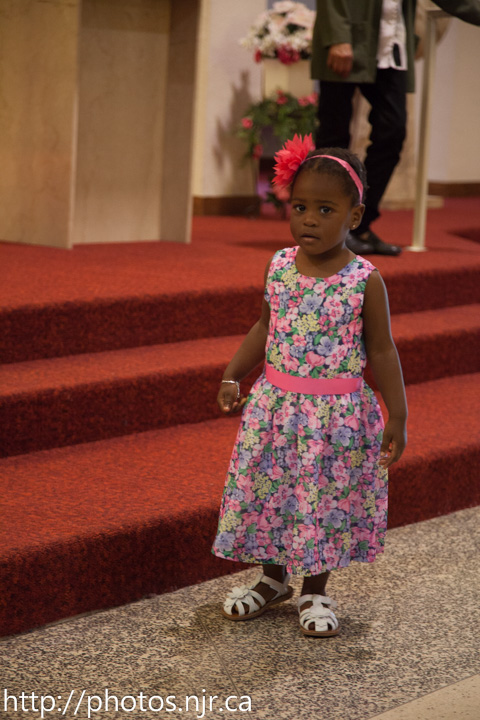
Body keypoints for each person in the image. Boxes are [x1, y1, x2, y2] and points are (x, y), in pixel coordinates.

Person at [212, 134, 407, 637]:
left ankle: (315, 589)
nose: (310, 220)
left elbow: (382, 350)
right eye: (300, 207)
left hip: (334, 419)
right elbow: (264, 326)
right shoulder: (279, 265)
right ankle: (272, 579)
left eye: (325, 209)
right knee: (272, 494)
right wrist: (234, 372)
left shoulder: (365, 280)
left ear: (354, 216)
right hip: (275, 410)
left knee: (322, 502)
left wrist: (399, 414)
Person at [312, 0, 480, 256]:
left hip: (391, 48)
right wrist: (338, 37)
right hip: (348, 40)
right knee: (334, 138)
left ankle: (358, 224)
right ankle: (327, 230)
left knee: (392, 131)